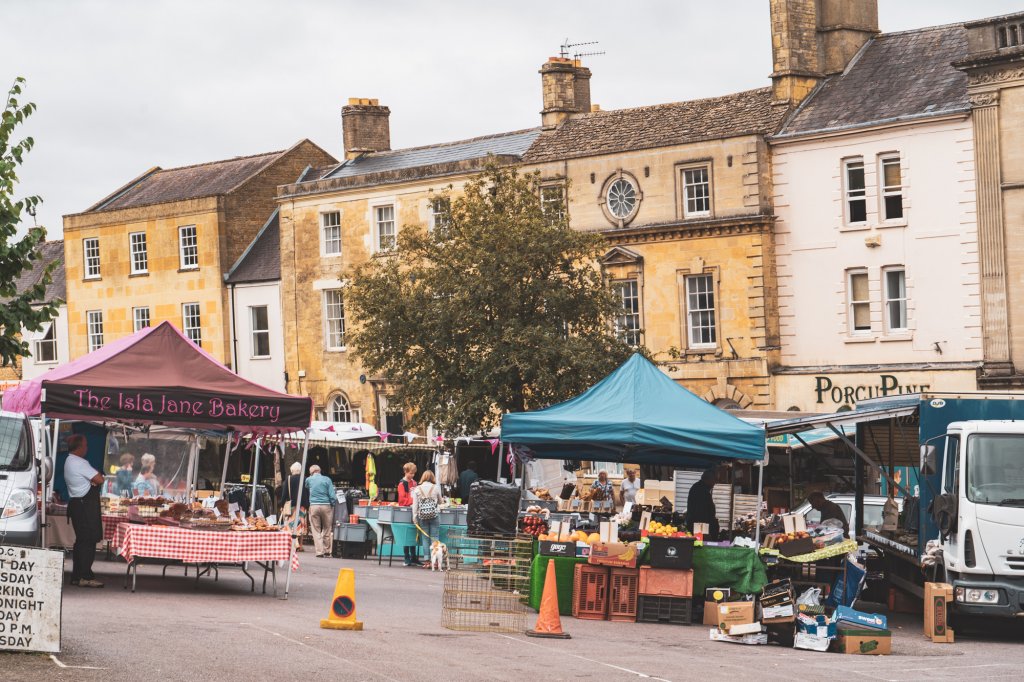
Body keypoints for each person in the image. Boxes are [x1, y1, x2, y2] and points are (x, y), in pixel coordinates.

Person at [64, 434, 105, 588]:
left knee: (81, 542)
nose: (87, 448)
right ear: (80, 447)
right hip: (84, 507)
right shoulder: (80, 462)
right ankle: (85, 576)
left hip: (76, 505)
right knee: (88, 542)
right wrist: (93, 480)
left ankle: (77, 576)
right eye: (85, 445)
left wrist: (91, 481)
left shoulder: (69, 460)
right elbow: (100, 479)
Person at [413, 471, 443, 569]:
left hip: (422, 516)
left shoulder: (417, 489)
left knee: (425, 538)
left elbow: (415, 505)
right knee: (434, 537)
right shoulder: (436, 488)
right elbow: (440, 501)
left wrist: (414, 516)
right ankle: (435, 562)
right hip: (434, 515)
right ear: (432, 477)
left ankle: (426, 561)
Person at [305, 465, 336, 558]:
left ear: (311, 472)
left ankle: (319, 552)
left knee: (315, 529)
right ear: (320, 470)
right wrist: (332, 504)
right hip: (326, 505)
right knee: (327, 527)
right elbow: (332, 495)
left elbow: (307, 486)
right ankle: (327, 550)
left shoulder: (309, 480)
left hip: (314, 506)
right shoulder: (327, 479)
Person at [281, 462, 309, 552]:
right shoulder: (305, 479)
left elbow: (284, 494)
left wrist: (281, 504)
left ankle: (292, 544)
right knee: (301, 525)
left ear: (292, 470)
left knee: (290, 525)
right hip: (302, 506)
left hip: (291, 506)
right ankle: (300, 545)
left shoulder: (289, 479)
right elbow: (307, 493)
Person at [397, 462, 421, 566]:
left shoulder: (414, 483)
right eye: (410, 473)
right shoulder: (402, 484)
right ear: (405, 472)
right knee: (406, 534)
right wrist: (414, 501)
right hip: (405, 511)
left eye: (414, 474)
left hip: (414, 510)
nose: (412, 475)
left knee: (413, 534)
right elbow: (402, 500)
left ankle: (414, 557)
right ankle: (407, 557)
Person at [685, 468, 720, 537]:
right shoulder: (700, 490)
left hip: (699, 523)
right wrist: (705, 532)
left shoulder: (701, 488)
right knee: (700, 544)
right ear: (708, 479)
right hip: (699, 525)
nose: (715, 483)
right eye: (714, 480)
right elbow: (700, 512)